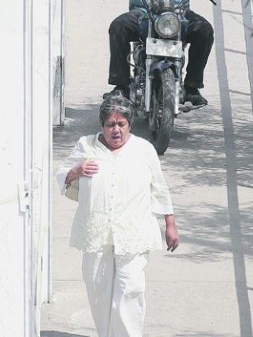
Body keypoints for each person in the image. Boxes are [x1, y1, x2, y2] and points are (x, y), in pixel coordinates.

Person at [55, 94, 179, 337]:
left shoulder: (144, 150)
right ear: (102, 126)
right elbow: (61, 174)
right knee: (98, 291)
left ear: (129, 125)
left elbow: (160, 188)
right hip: (96, 232)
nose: (116, 130)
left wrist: (170, 224)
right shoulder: (86, 146)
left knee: (129, 291)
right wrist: (76, 170)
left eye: (121, 124)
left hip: (134, 232)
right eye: (110, 124)